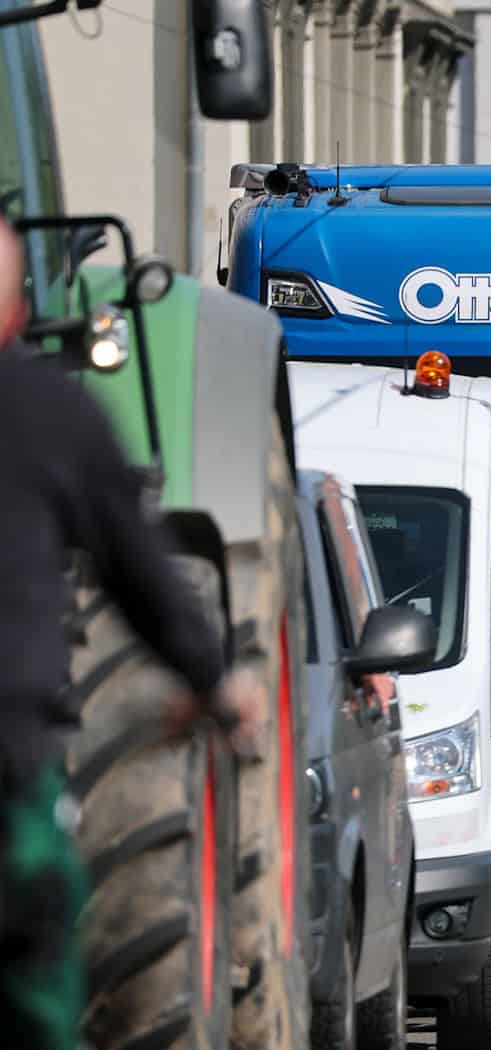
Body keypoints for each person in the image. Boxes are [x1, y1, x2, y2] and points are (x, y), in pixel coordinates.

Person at [0, 218, 261, 1050]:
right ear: (16, 310)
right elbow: (137, 567)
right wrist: (214, 678)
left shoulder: (47, 412)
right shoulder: (46, 409)